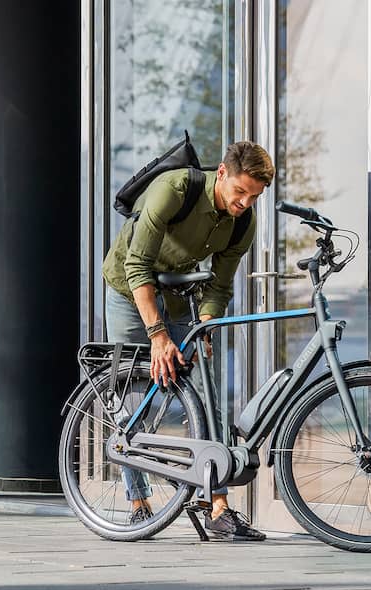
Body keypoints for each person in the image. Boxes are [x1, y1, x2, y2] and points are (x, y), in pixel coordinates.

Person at [102, 140, 275, 540]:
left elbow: (219, 284)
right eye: (240, 192)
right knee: (131, 401)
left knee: (206, 392)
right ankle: (138, 502)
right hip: (130, 292)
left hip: (179, 297)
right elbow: (136, 264)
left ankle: (217, 507)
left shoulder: (243, 222)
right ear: (222, 173)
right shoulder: (175, 189)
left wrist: (206, 326)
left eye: (254, 196)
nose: (245, 203)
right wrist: (157, 336)